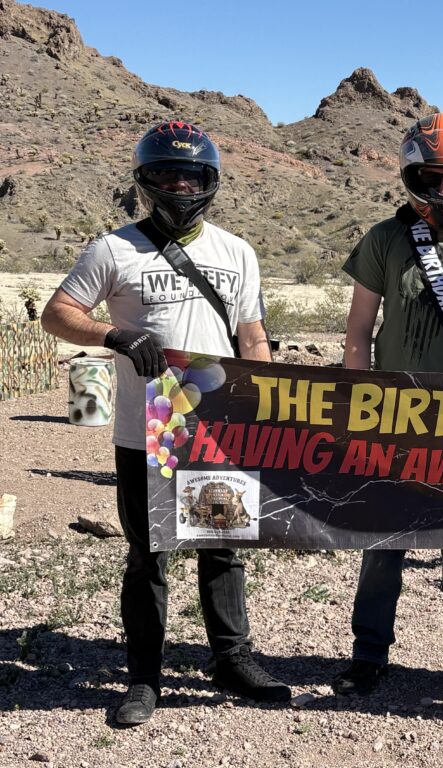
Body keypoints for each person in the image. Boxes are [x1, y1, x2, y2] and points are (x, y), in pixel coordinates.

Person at [41, 121, 290, 725]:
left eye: (191, 175)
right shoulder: (114, 249)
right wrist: (117, 335)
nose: (179, 186)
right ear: (145, 181)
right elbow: (57, 313)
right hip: (145, 430)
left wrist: (261, 396)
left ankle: (232, 658)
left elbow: (252, 334)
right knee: (148, 554)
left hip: (216, 428)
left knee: (222, 547)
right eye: (165, 175)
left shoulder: (236, 253)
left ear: (210, 182)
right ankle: (144, 678)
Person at [335, 113, 443, 699]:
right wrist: (355, 405)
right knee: (382, 542)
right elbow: (359, 330)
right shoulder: (385, 238)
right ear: (411, 175)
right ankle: (368, 653)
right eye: (430, 178)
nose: (441, 190)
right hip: (389, 415)